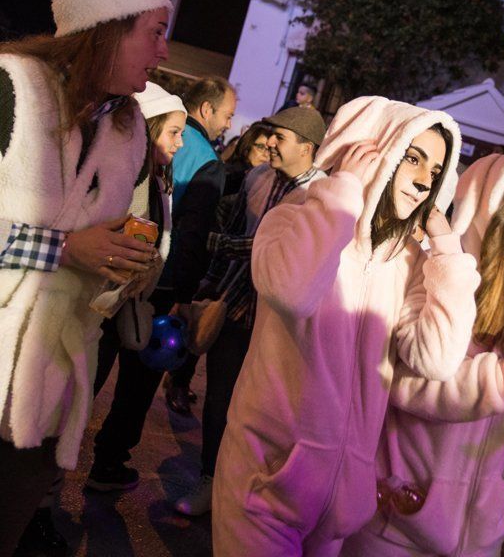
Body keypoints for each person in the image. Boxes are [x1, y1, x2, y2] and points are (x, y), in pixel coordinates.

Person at [212, 96, 481, 556]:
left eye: (436, 171)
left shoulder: (409, 261)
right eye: (412, 158)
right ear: (374, 151)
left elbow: (435, 358)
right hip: (264, 483)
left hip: (339, 506)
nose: (423, 180)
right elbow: (293, 293)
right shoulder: (293, 219)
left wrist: (448, 251)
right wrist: (344, 190)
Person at [340, 150, 504, 556]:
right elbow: (404, 383)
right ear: (491, 204)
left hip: (476, 533)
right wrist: (503, 377)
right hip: (395, 517)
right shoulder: (441, 272)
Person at [0, 0, 171, 554]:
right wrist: (66, 248)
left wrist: (126, 261)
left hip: (44, 392)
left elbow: (106, 243)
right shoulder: (11, 88)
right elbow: (71, 245)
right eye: (156, 32)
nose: (163, 51)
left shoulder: (130, 133)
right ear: (105, 25)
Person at [173, 107, 327, 516]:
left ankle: (245, 495)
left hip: (282, 326)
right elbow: (241, 235)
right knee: (219, 401)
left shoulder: (322, 196)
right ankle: (211, 482)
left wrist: (219, 244)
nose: (269, 143)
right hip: (236, 309)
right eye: (270, 135)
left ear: (307, 148)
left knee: (264, 416)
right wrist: (207, 287)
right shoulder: (258, 177)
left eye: (280, 138)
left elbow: (278, 250)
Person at [85, 83, 186, 494]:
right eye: (174, 132)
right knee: (75, 397)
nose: (181, 143)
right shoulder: (128, 176)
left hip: (122, 301)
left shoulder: (160, 178)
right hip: (98, 303)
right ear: (151, 127)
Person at [163, 76, 237, 415]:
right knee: (136, 382)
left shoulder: (162, 132)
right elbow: (194, 231)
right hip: (166, 274)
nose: (228, 123)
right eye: (227, 115)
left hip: (128, 253)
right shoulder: (208, 159)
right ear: (207, 109)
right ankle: (109, 462)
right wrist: (184, 296)